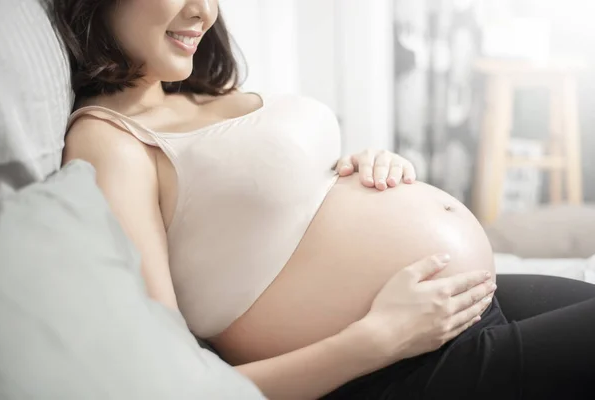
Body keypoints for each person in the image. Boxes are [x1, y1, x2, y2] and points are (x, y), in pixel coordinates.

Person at [52, 0, 595, 399]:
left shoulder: (197, 95)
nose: (204, 12)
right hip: (395, 369)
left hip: (455, 311)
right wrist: (376, 339)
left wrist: (364, 170)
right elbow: (168, 382)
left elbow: (270, 216)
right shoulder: (108, 140)